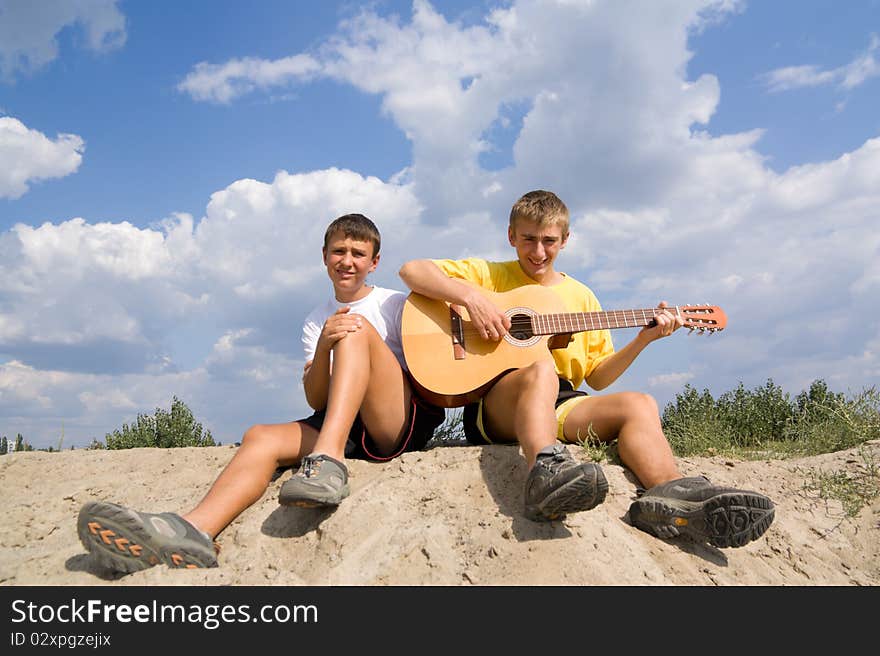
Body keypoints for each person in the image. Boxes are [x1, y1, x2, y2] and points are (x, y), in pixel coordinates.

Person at [398, 190, 774, 548]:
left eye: (549, 241)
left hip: (561, 400)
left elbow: (597, 376)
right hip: (499, 400)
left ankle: (671, 496)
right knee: (540, 370)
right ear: (511, 236)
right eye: (528, 239)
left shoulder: (582, 297)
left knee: (639, 403)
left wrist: (644, 340)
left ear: (565, 240)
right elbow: (412, 270)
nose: (539, 251)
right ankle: (544, 473)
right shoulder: (488, 275)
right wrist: (470, 298)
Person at [77, 213, 446, 573]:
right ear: (324, 256)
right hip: (341, 421)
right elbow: (317, 400)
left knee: (353, 327)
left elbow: (433, 356)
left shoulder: (393, 304)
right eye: (338, 251)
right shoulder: (315, 318)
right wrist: (322, 347)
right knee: (260, 436)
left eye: (357, 253)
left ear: (374, 262)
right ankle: (193, 529)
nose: (347, 261)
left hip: (393, 421)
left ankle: (328, 460)